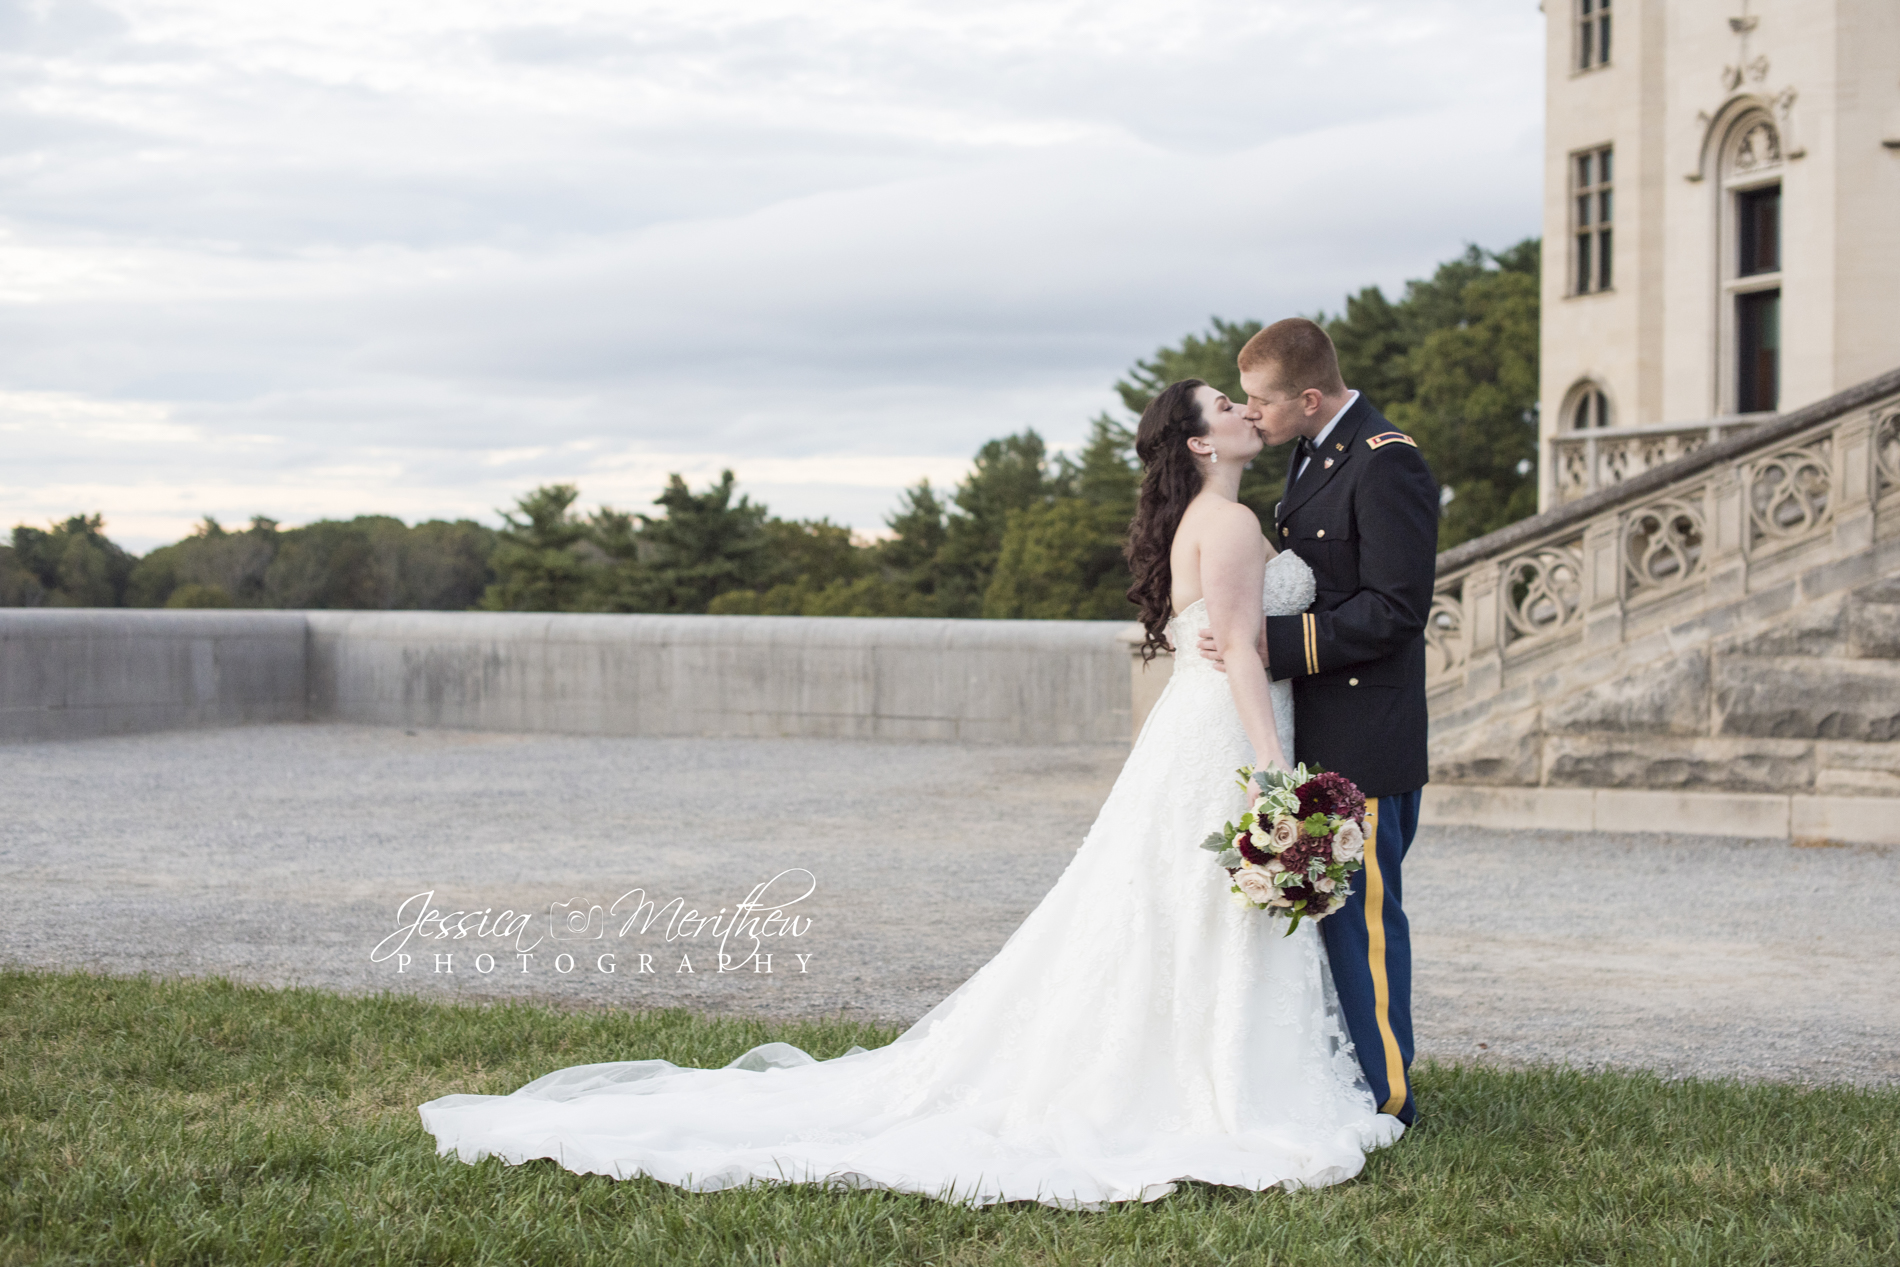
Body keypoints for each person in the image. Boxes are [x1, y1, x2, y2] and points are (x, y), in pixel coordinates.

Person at [418, 379, 1403, 1209]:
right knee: (1199, 907)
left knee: (1172, 909)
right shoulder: (1227, 520)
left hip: (1196, 725)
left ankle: (1198, 1062)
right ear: (1199, 441)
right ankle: (1219, 1085)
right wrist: (1276, 769)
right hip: (1228, 728)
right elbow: (1241, 651)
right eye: (1227, 406)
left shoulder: (1213, 518)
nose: (1245, 412)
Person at [1197, 318, 1439, 1127]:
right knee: (1325, 926)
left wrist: (1269, 645)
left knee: (1365, 927)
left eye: (1261, 402)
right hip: (1320, 729)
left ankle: (1388, 1097)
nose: (1251, 414)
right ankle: (1344, 1079)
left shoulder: (1386, 460)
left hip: (1368, 734)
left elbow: (1396, 609)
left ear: (1307, 397)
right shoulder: (1309, 453)